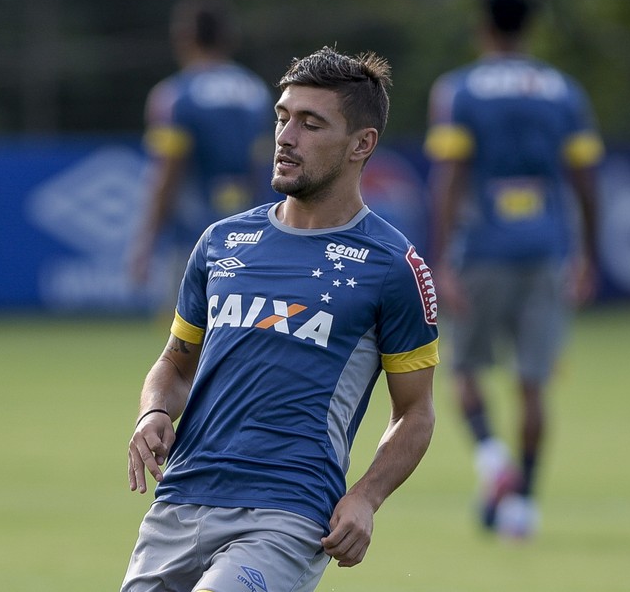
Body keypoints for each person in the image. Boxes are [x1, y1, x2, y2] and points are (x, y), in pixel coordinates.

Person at [123, 47, 439, 592]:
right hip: (179, 499)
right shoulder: (221, 241)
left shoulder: (393, 265)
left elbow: (415, 412)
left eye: (311, 123)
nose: (286, 136)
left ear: (361, 144)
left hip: (286, 513)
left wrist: (366, 496)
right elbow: (175, 365)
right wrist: (152, 411)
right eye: (283, 117)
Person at [424, 0, 604, 538]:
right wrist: (586, 254)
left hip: (481, 249)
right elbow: (585, 181)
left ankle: (491, 460)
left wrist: (440, 259)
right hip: (547, 248)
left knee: (463, 370)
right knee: (532, 383)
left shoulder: (459, 90)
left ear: (485, 26)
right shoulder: (564, 91)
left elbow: (450, 178)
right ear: (529, 27)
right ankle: (522, 503)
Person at [129, 0, 275, 290]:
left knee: (186, 333)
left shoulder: (175, 96)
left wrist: (146, 242)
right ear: (228, 37)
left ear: (184, 36)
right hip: (249, 236)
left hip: (193, 237)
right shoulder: (257, 93)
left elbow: (167, 174)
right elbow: (265, 167)